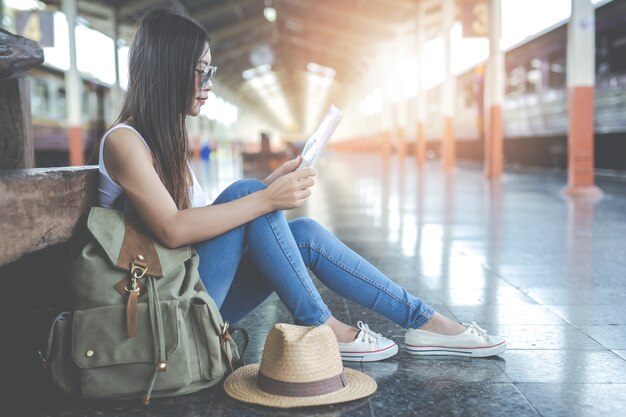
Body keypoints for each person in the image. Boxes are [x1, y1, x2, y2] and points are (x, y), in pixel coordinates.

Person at [99, 9, 506, 363]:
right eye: (201, 70)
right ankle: (320, 323)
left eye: (211, 71)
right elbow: (173, 228)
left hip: (188, 291)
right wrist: (261, 196)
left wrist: (272, 183)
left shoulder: (164, 140)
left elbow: (198, 221)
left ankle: (426, 322)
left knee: (304, 233)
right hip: (158, 310)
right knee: (247, 194)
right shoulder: (124, 141)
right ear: (169, 69)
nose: (208, 82)